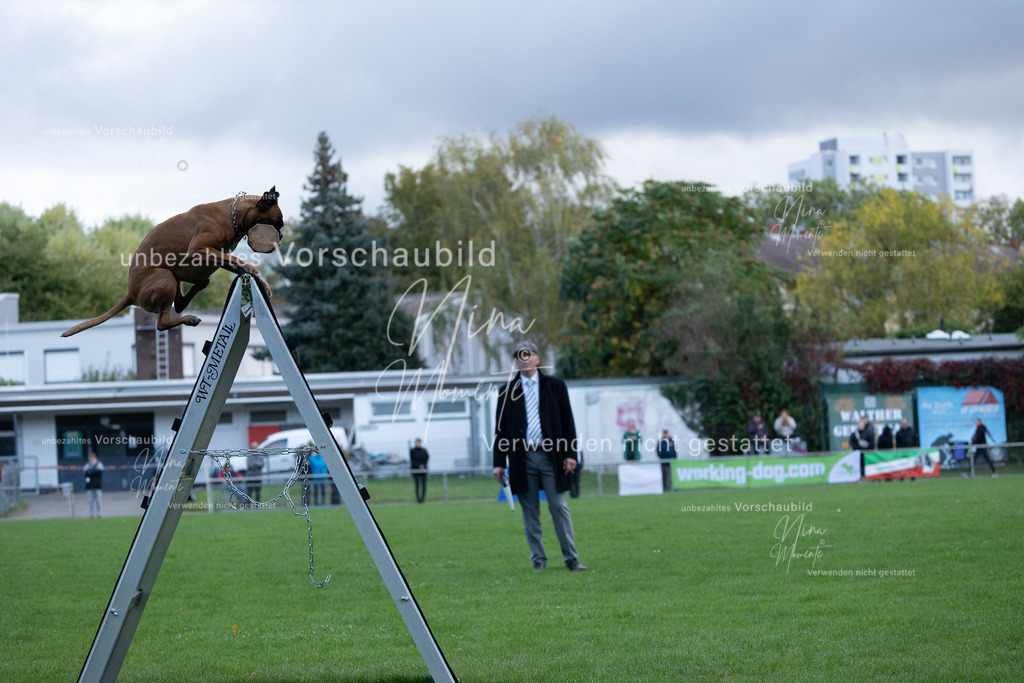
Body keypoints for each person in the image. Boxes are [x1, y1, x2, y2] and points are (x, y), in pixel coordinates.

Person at [493, 340, 586, 571]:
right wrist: (498, 464)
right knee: (530, 512)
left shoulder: (556, 386)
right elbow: (500, 430)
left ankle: (571, 558)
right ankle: (539, 560)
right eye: (519, 355)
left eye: (529, 354)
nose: (524, 358)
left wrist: (570, 454)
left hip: (551, 457)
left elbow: (568, 422)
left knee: (558, 506)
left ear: (537, 358)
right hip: (521, 459)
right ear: (515, 362)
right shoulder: (506, 391)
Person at [83, 452, 104, 517]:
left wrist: (91, 472)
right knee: (90, 501)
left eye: (92, 457)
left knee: (98, 500)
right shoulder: (87, 465)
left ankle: (99, 513)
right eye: (90, 457)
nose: (91, 459)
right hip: (90, 486)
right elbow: (86, 473)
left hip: (97, 485)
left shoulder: (99, 464)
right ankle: (91, 514)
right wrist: (93, 472)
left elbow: (99, 473)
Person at [410, 438, 429, 503]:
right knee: (417, 485)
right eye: (416, 443)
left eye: (418, 442)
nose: (417, 444)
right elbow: (412, 460)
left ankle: (423, 499)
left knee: (424, 485)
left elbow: (427, 458)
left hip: (423, 470)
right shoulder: (412, 451)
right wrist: (418, 466)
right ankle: (418, 499)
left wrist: (423, 465)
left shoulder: (424, 450)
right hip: (416, 470)